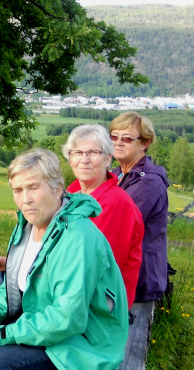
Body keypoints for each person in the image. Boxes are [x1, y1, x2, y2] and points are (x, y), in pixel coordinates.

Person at [0, 149, 129, 370]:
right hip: (42, 324)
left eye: (34, 187)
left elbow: (67, 318)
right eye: (18, 190)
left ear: (57, 188)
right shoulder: (27, 227)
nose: (26, 199)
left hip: (81, 344)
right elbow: (14, 288)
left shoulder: (78, 237)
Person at [62, 124, 144, 308]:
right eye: (77, 152)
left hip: (99, 304)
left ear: (107, 159)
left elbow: (93, 267)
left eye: (93, 152)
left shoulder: (115, 204)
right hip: (72, 289)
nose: (84, 160)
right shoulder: (73, 193)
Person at [109, 112, 169, 305]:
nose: (118, 143)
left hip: (140, 280)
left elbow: (117, 226)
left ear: (145, 143)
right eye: (113, 137)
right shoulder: (118, 174)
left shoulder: (148, 183)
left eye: (126, 138)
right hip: (122, 273)